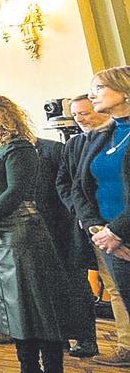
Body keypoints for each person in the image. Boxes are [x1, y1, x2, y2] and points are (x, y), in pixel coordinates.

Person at [0, 92, 78, 372]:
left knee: (36, 304)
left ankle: (51, 366)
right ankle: (27, 365)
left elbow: (18, 191)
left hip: (20, 231)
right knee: (7, 305)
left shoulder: (18, 147)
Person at [61, 93, 130, 366]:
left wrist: (116, 229)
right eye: (76, 114)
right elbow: (67, 184)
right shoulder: (75, 144)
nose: (80, 118)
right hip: (96, 230)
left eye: (85, 112)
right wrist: (92, 224)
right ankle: (126, 345)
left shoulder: (115, 136)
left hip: (120, 226)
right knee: (114, 288)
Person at [34, 132, 99, 358]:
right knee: (44, 288)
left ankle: (86, 339)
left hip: (62, 228)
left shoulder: (52, 149)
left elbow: (68, 185)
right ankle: (57, 336)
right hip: (32, 232)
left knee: (74, 286)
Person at [83, 69, 130, 340]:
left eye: (99, 87)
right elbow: (83, 186)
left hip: (119, 234)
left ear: (124, 91)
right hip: (110, 240)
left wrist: (117, 231)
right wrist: (98, 228)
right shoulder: (101, 135)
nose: (92, 95)